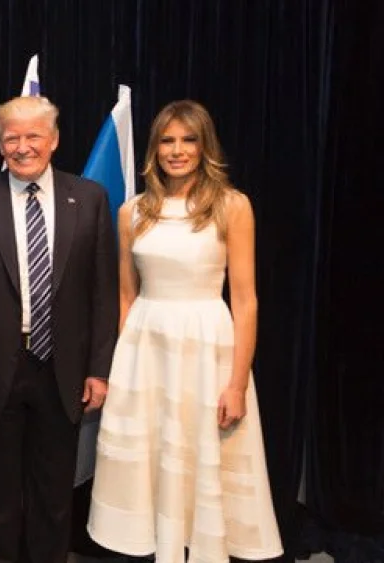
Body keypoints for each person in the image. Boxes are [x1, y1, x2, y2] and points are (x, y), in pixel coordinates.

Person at [87, 100, 283, 563]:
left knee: (201, 464)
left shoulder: (233, 206)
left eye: (188, 140)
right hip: (145, 352)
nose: (177, 151)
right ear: (155, 149)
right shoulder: (132, 212)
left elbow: (246, 300)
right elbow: (125, 297)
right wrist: (122, 368)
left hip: (207, 352)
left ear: (205, 146)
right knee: (149, 466)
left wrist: (236, 383)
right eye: (167, 141)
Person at [0, 96, 119, 563]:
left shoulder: (91, 199)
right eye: (11, 137)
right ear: (0, 144)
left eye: (32, 135)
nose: (22, 147)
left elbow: (103, 293)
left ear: (53, 140)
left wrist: (100, 369)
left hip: (65, 372)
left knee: (53, 497)